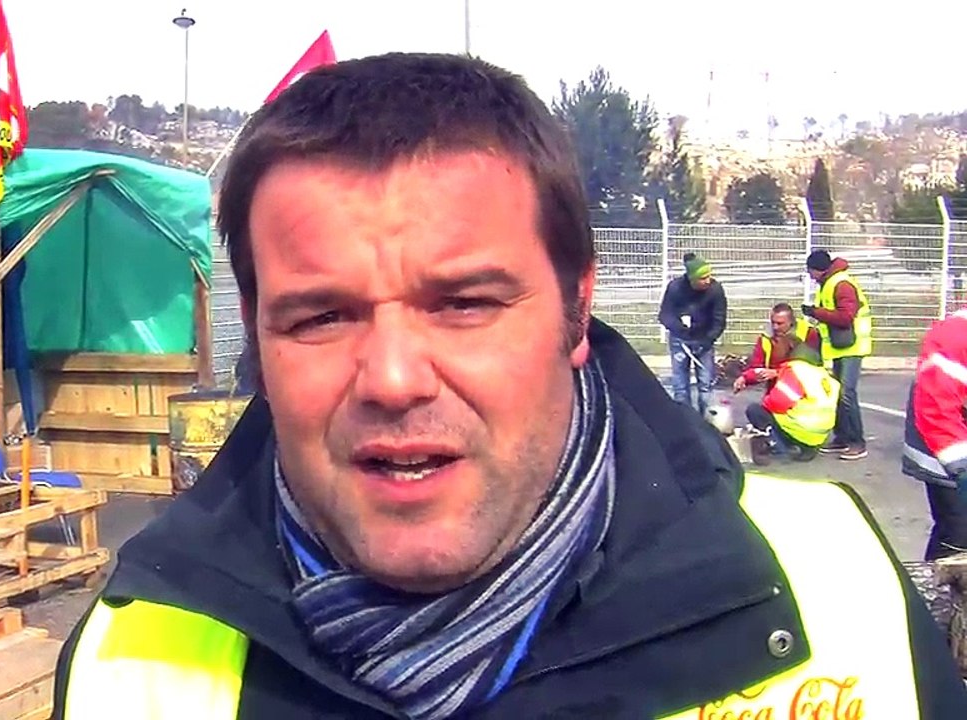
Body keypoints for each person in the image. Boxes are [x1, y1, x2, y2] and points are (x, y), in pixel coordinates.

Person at [52, 53, 966, 719]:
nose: (395, 379)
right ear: (256, 333)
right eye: (321, 317)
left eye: (464, 303)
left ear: (576, 309)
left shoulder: (834, 584)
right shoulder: (127, 656)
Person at [902, 308, 967, 561]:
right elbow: (935, 407)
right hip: (943, 452)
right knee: (958, 533)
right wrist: (962, 468)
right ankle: (932, 590)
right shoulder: (955, 335)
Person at [802, 249, 872, 460]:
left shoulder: (841, 284)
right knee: (838, 392)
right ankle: (842, 438)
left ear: (817, 270)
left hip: (853, 346)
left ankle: (857, 442)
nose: (810, 276)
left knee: (847, 394)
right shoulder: (830, 282)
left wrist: (816, 312)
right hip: (841, 346)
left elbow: (845, 317)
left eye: (810, 271)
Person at [741, 342, 839, 464]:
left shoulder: (796, 371)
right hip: (819, 434)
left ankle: (779, 446)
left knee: (755, 410)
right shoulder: (826, 377)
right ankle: (808, 448)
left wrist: (767, 401)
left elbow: (777, 403)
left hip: (801, 430)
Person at [658, 252, 727, 415]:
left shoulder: (715, 290)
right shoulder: (675, 288)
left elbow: (719, 319)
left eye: (709, 276)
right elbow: (664, 315)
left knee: (706, 385)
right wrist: (680, 328)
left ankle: (707, 421)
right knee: (680, 385)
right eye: (702, 278)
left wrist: (707, 340)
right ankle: (685, 420)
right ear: (691, 279)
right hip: (680, 340)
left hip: (704, 340)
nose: (707, 281)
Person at [733, 302, 820, 394]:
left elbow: (810, 370)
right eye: (773, 322)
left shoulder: (808, 334)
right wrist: (745, 378)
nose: (775, 327)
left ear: (791, 322)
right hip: (775, 391)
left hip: (804, 392)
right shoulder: (765, 338)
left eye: (780, 323)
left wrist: (777, 373)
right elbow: (757, 367)